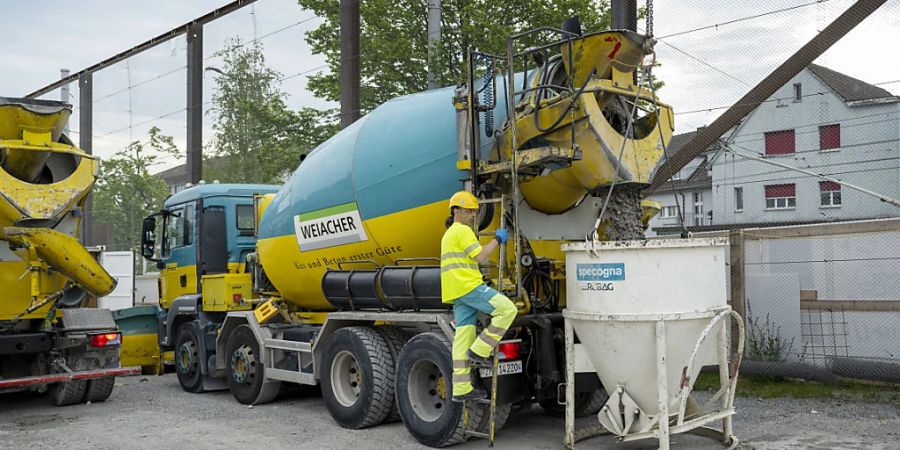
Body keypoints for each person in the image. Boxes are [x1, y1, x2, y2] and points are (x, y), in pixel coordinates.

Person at [441, 191, 517, 402]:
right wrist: (497, 239)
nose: (473, 215)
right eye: (468, 211)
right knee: (508, 309)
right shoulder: (462, 231)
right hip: (468, 286)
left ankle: (462, 387)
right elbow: (481, 256)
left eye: (474, 211)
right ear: (456, 211)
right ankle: (480, 350)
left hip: (456, 290)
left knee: (463, 337)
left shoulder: (448, 234)